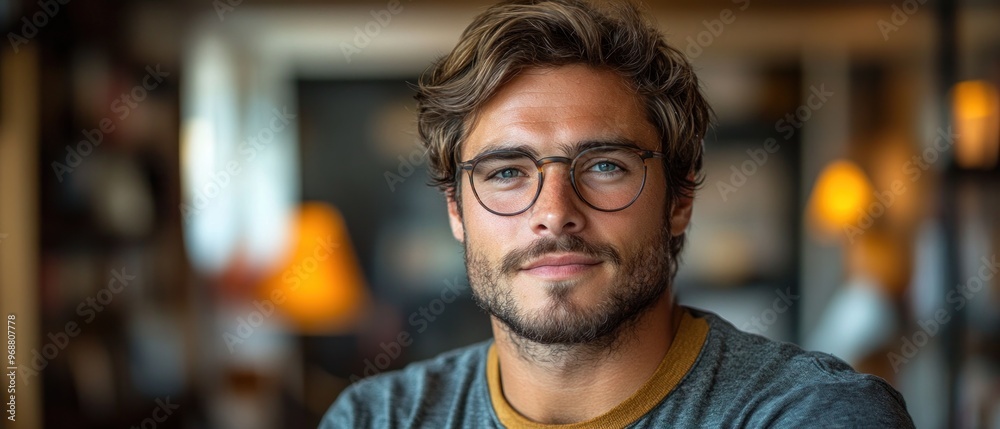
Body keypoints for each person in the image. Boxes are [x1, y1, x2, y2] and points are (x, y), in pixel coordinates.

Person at [321, 0, 915, 427]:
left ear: (679, 200)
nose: (554, 214)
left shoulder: (814, 415)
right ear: (456, 211)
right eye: (506, 173)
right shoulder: (374, 417)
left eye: (605, 166)